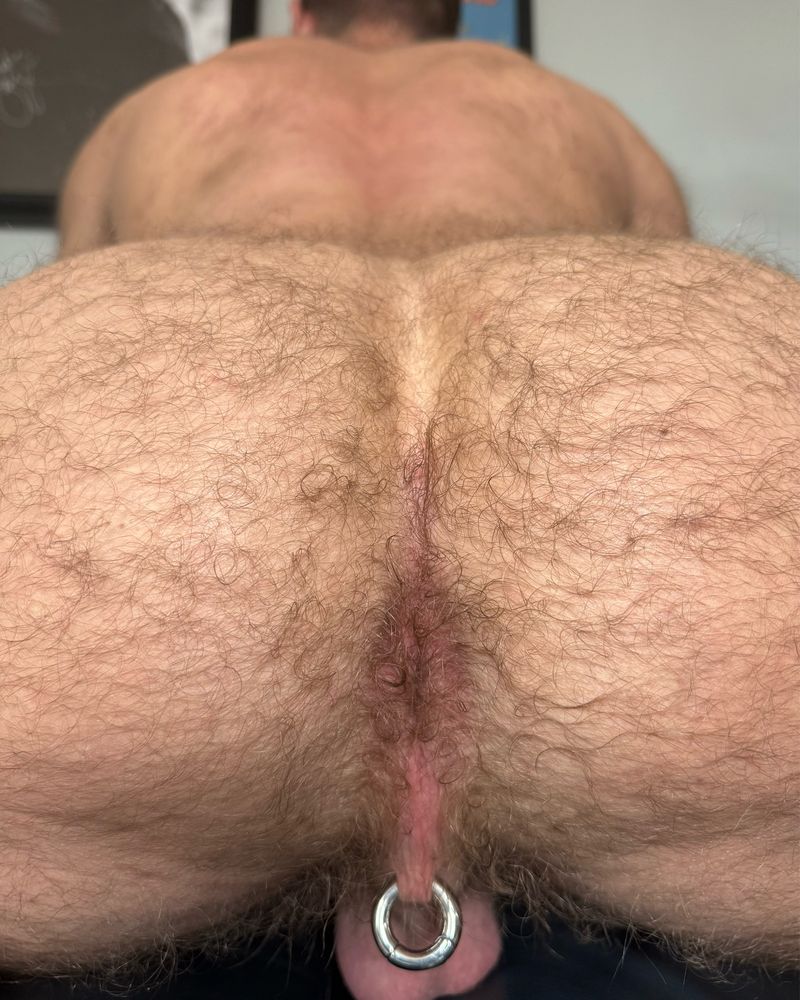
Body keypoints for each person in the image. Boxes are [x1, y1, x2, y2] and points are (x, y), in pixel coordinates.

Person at [0, 2, 796, 1000]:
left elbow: (88, 327)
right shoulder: (576, 112)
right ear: (454, 18)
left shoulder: (162, 109)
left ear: (301, 17)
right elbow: (657, 303)